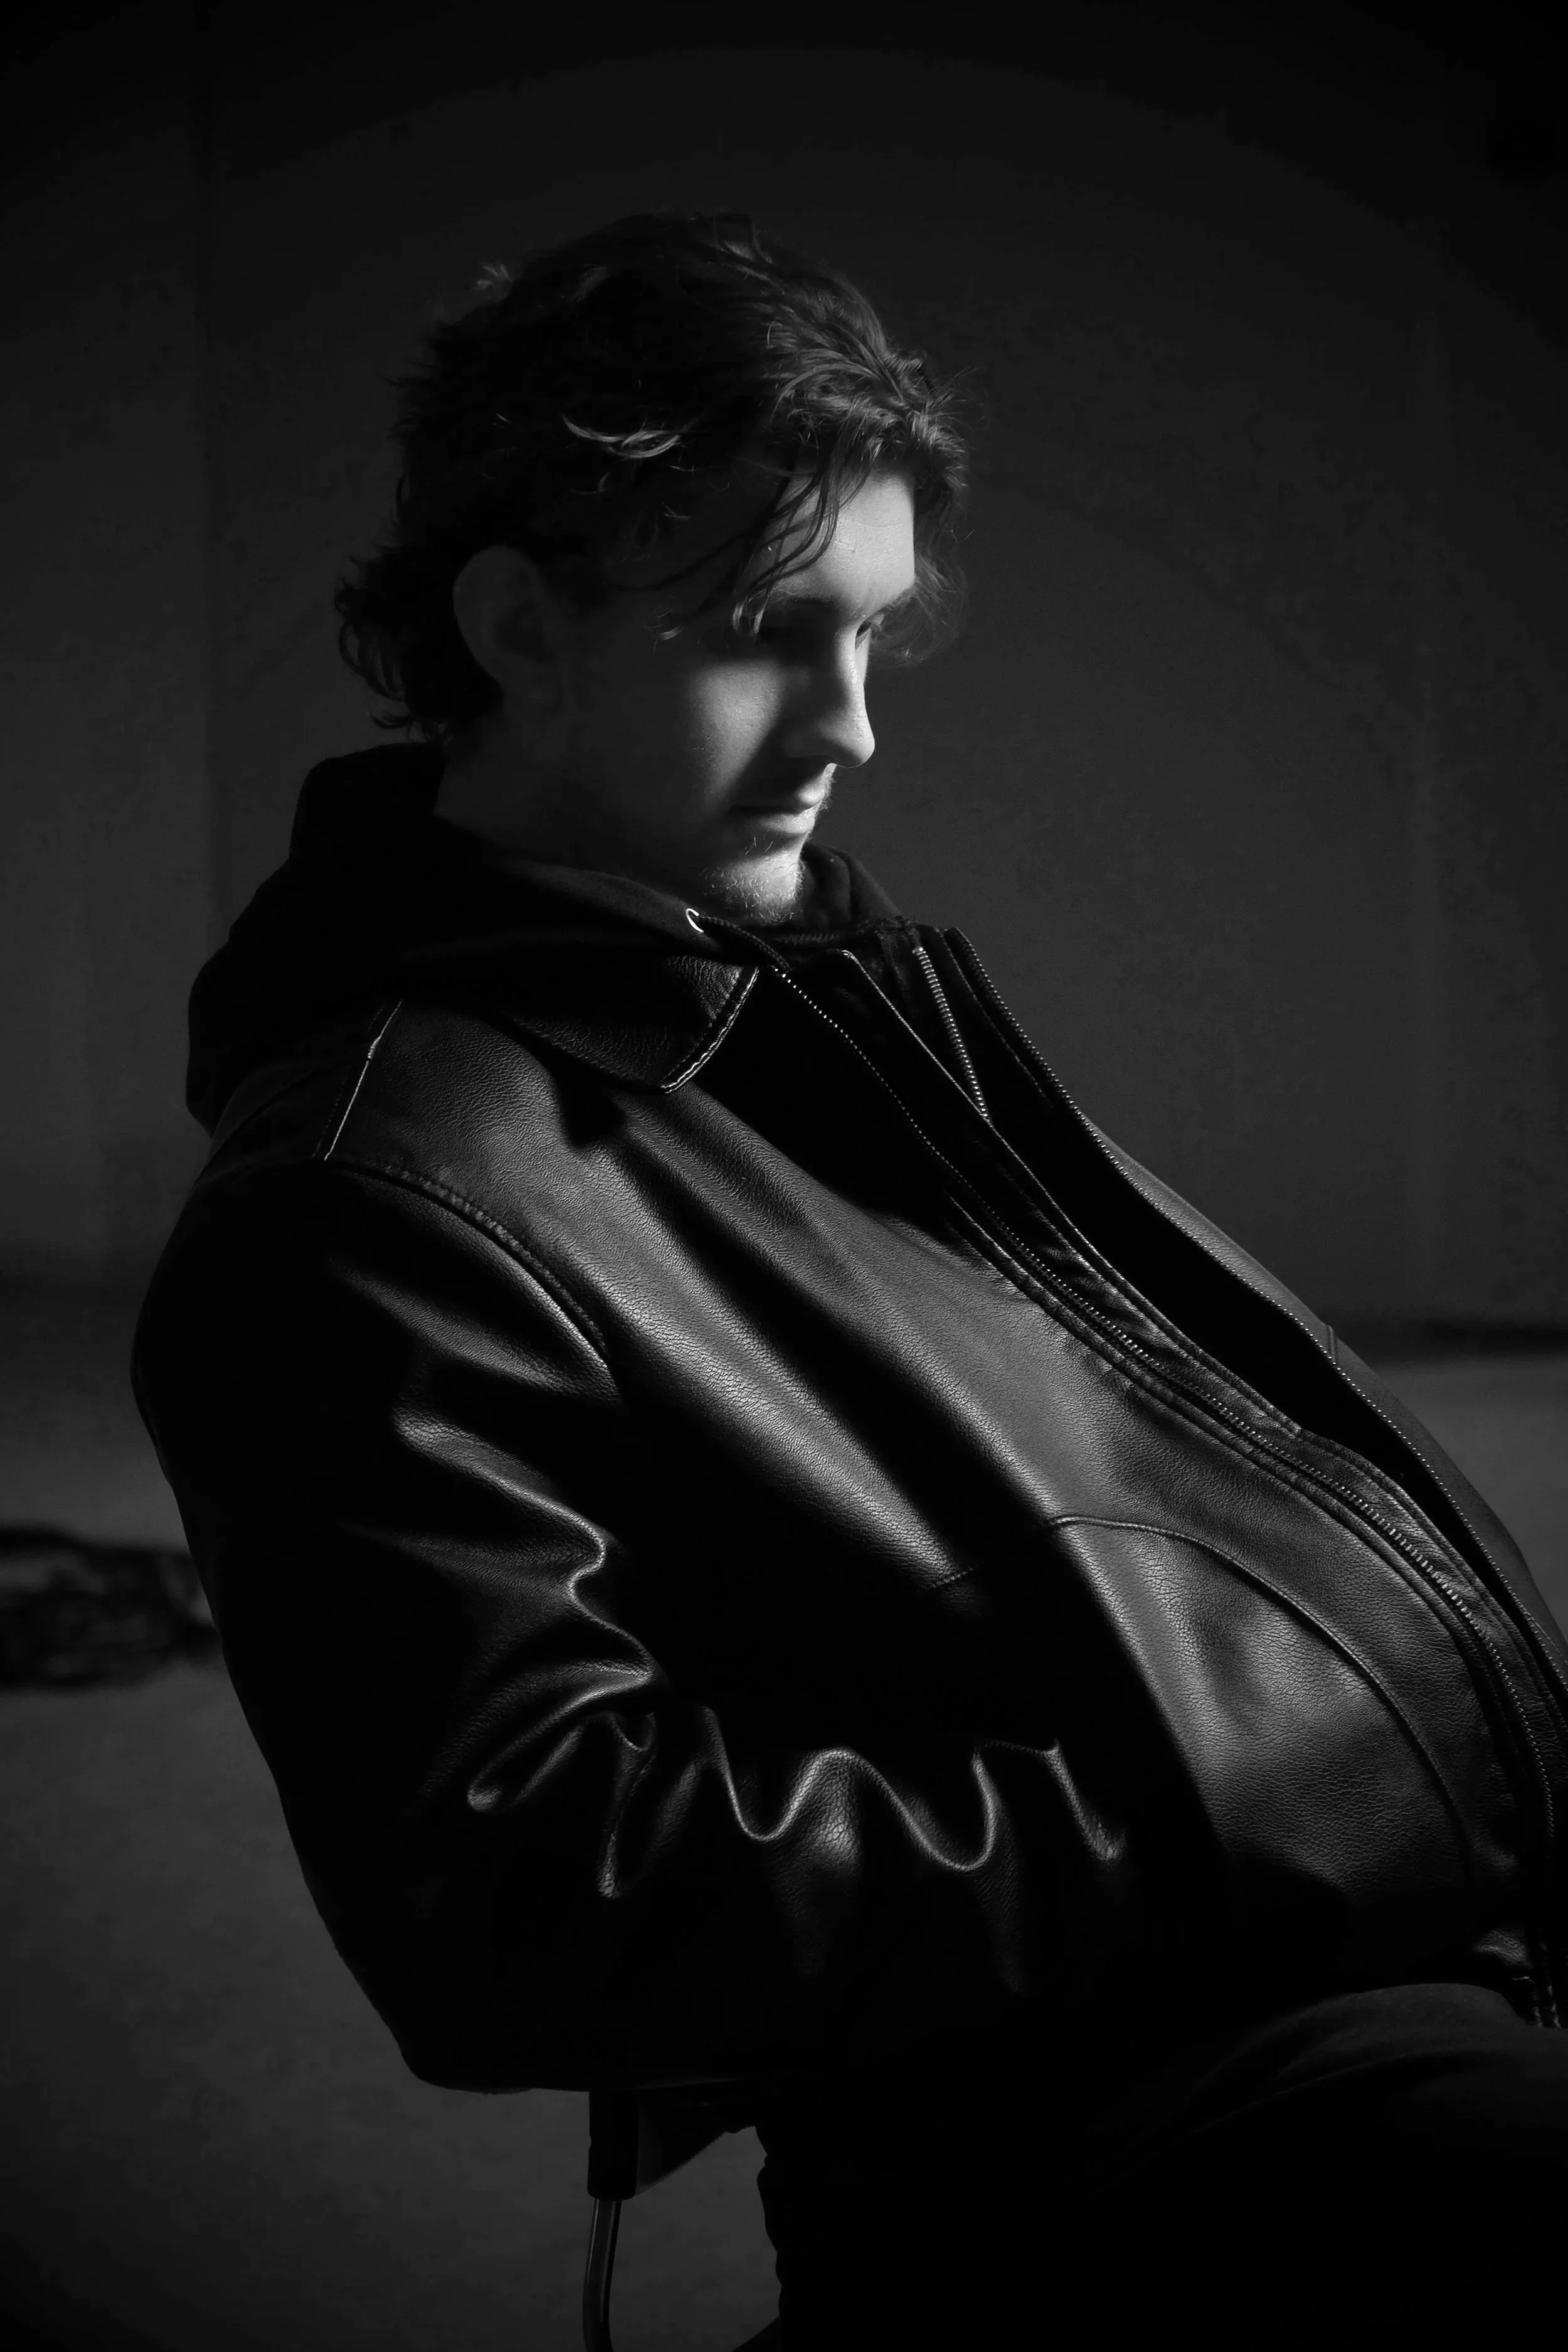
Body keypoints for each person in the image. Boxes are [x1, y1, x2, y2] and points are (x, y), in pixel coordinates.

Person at [132, 211, 1568, 2348]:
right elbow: (518, 1898)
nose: (853, 724)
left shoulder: (782, 983)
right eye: (765, 632)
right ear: (516, 622)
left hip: (1371, 1941)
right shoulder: (364, 1197)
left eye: (877, 633)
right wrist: (1252, 1823)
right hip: (1105, 2109)